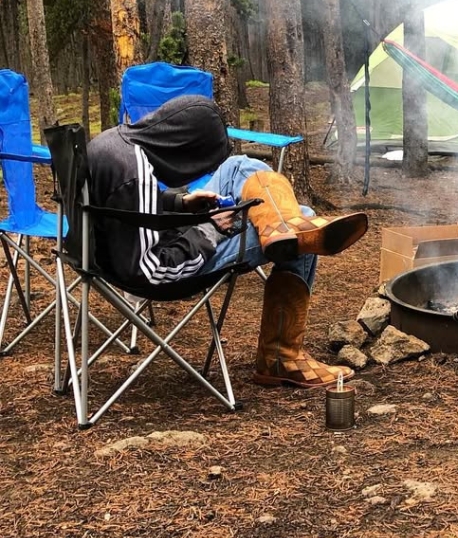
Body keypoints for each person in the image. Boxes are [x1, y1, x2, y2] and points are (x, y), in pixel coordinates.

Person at [87, 94, 368, 389]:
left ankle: (282, 226)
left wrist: (182, 203)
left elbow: (130, 209)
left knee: (238, 166)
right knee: (305, 222)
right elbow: (151, 272)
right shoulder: (135, 174)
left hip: (147, 243)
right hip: (170, 268)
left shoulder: (113, 143)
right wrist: (211, 230)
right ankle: (281, 357)